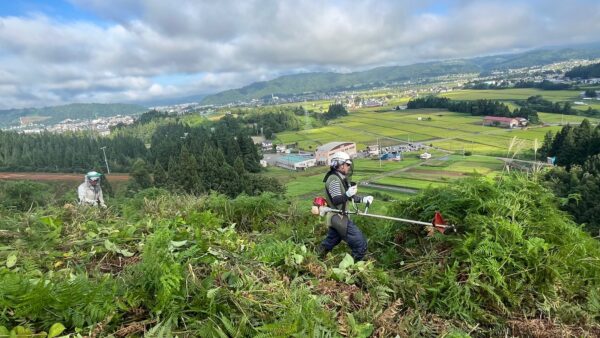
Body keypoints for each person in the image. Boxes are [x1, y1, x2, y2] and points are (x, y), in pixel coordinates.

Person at [317, 152, 373, 261]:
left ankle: (314, 258)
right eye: (347, 164)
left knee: (330, 242)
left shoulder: (340, 178)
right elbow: (337, 199)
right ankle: (350, 270)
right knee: (360, 244)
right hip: (338, 217)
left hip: (338, 217)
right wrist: (347, 194)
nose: (348, 167)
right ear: (339, 164)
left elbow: (347, 197)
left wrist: (363, 199)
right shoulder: (333, 179)